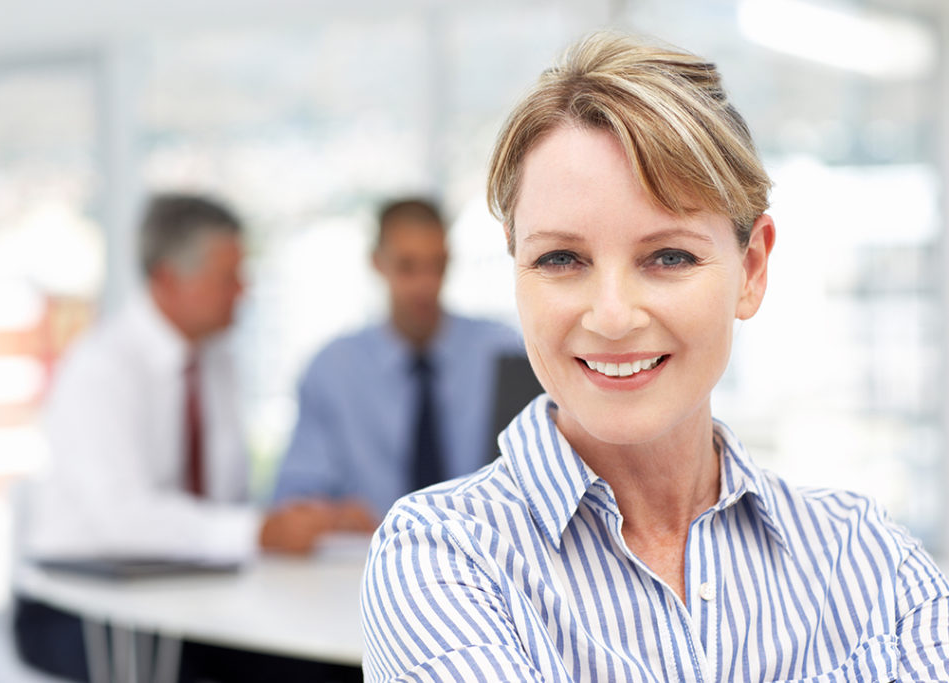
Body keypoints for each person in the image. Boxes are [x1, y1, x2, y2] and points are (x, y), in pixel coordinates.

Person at [361, 33, 949, 681]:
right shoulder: (440, 555)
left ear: (750, 270)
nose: (612, 315)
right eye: (561, 258)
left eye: (668, 256)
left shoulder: (862, 555)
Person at [15, 194, 341, 682]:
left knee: (322, 669)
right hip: (81, 602)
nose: (243, 292)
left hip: (191, 592)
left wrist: (296, 521)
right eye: (227, 278)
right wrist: (258, 532)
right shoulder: (101, 368)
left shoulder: (217, 362)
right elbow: (123, 519)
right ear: (169, 279)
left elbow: (225, 499)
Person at [262, 198, 523, 554]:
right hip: (365, 568)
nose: (425, 285)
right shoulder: (332, 370)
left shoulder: (504, 353)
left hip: (486, 561)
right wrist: (333, 517)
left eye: (437, 266)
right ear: (377, 264)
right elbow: (292, 503)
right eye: (407, 267)